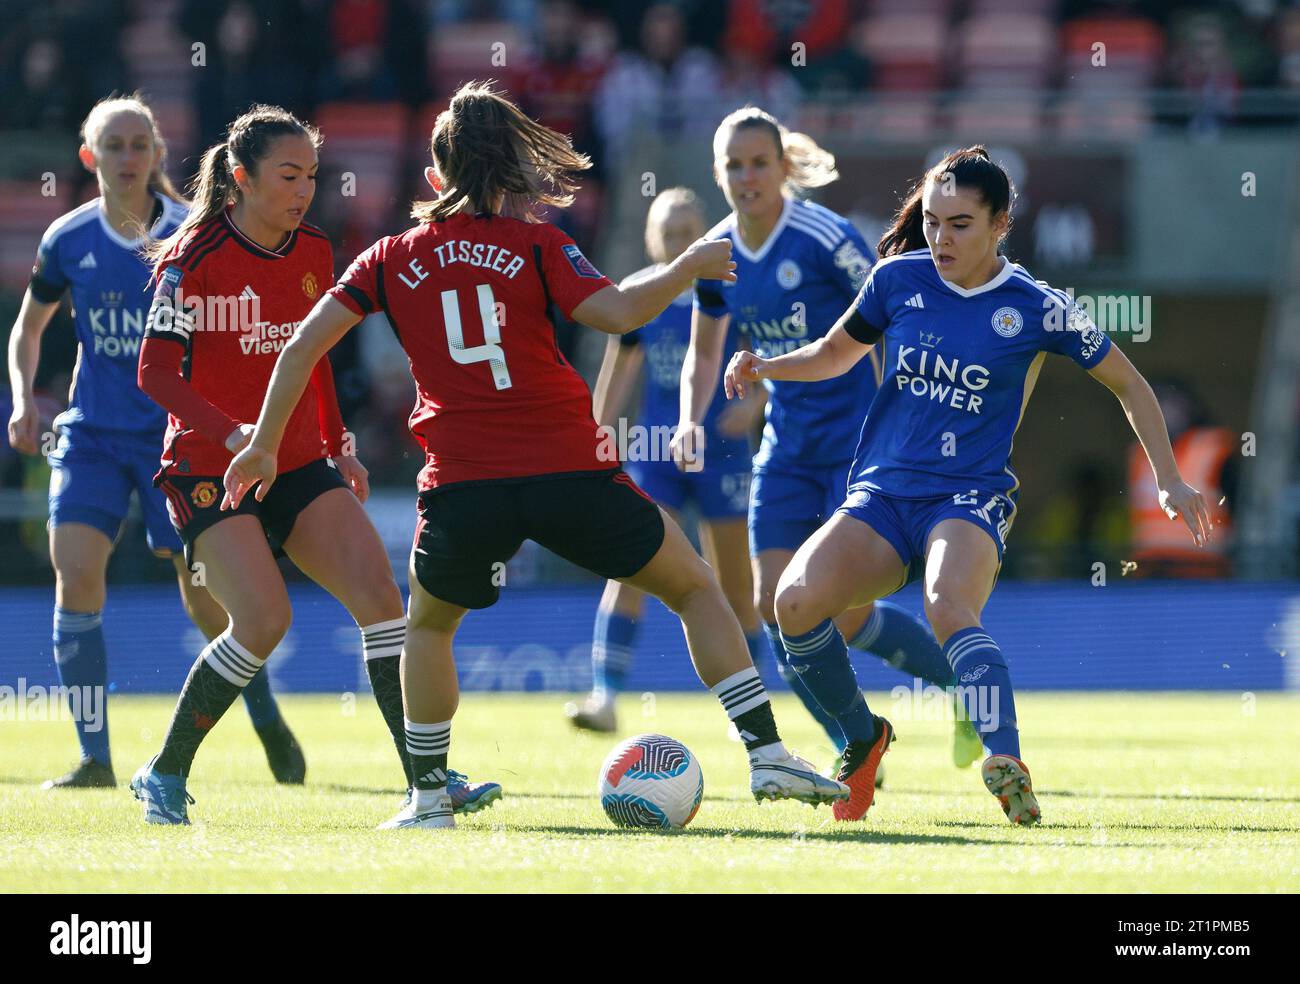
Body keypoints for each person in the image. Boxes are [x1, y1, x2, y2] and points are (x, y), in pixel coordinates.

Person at [225, 82, 848, 830]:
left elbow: (300, 348)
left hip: (463, 482)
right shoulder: (538, 244)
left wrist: (263, 443)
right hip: (568, 468)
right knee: (694, 587)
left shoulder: (388, 258)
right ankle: (766, 753)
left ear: (438, 171)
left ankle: (427, 800)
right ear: (513, 164)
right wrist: (686, 267)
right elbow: (617, 311)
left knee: (427, 628)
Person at [723, 145, 1213, 825]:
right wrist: (767, 365)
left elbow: (1129, 382)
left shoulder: (1036, 305)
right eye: (931, 221)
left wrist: (1168, 480)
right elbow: (837, 352)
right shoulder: (897, 281)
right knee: (794, 604)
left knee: (948, 605)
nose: (940, 237)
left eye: (959, 224)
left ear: (1000, 224)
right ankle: (862, 740)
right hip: (883, 494)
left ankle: (1004, 757)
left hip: (968, 497)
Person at [126, 104, 500, 825]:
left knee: (385, 606)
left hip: (297, 462)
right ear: (240, 177)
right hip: (211, 468)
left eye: (312, 176)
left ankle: (427, 782)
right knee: (263, 622)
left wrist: (337, 446)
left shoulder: (313, 249)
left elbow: (314, 358)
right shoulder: (189, 259)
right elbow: (156, 375)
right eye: (288, 175)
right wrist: (233, 435)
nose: (304, 190)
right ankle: (163, 772)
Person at [6, 94, 304, 790]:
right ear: (90, 157)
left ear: (158, 155)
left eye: (140, 144)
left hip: (177, 441)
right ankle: (95, 759)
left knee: (205, 599)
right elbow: (28, 327)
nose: (129, 156)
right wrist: (24, 399)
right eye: (114, 145)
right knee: (76, 573)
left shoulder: (188, 236)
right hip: (92, 435)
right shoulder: (67, 240)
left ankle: (263, 716)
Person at [677, 106, 981, 772]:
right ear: (718, 173)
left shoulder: (823, 235)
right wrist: (687, 422)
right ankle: (859, 739)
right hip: (786, 448)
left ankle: (961, 688)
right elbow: (705, 353)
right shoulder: (717, 255)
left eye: (759, 163)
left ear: (784, 167)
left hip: (855, 446)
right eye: (733, 165)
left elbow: (889, 309)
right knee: (772, 606)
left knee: (840, 614)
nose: (746, 176)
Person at [565, 187, 765, 733]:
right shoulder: (639, 294)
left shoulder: (730, 288)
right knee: (631, 567)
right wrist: (597, 434)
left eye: (688, 231)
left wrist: (757, 406)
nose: (679, 240)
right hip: (656, 452)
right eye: (668, 232)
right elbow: (617, 373)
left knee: (735, 586)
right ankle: (604, 697)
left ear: (705, 235)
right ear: (654, 239)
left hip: (722, 450)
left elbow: (769, 354)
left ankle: (749, 706)